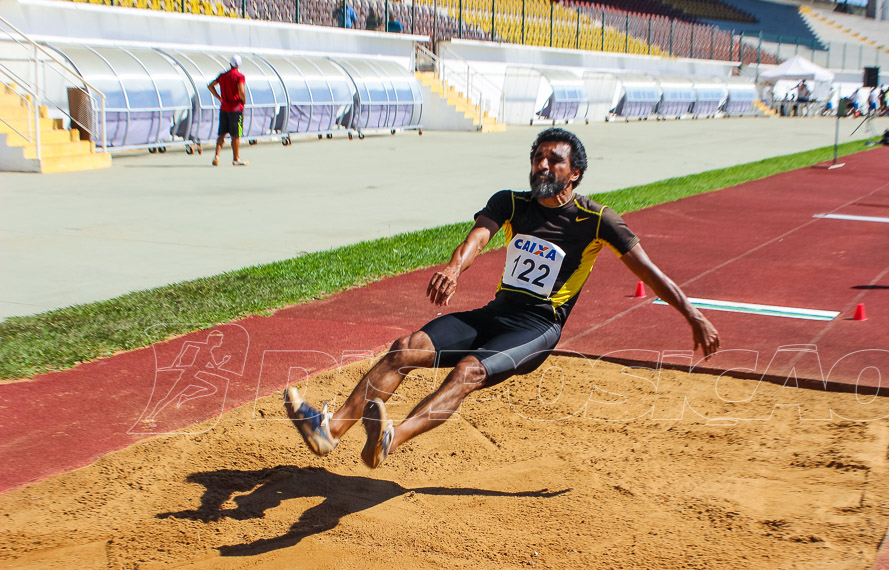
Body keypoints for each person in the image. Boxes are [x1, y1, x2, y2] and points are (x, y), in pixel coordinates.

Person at [283, 128, 721, 467]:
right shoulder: (510, 202)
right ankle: (331, 430)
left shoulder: (597, 219)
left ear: (576, 173)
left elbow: (649, 271)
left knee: (467, 372)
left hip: (536, 328)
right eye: (537, 158)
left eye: (555, 160)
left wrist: (692, 315)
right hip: (496, 314)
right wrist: (455, 268)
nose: (543, 165)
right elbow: (478, 238)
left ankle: (390, 439)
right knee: (404, 350)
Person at [208, 55, 247, 167]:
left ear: (230, 64)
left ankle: (217, 156)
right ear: (239, 65)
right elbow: (241, 91)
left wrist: (219, 97)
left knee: (221, 134)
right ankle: (236, 158)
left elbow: (210, 86)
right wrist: (243, 101)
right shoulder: (240, 77)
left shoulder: (223, 76)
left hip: (224, 108)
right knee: (235, 135)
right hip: (236, 109)